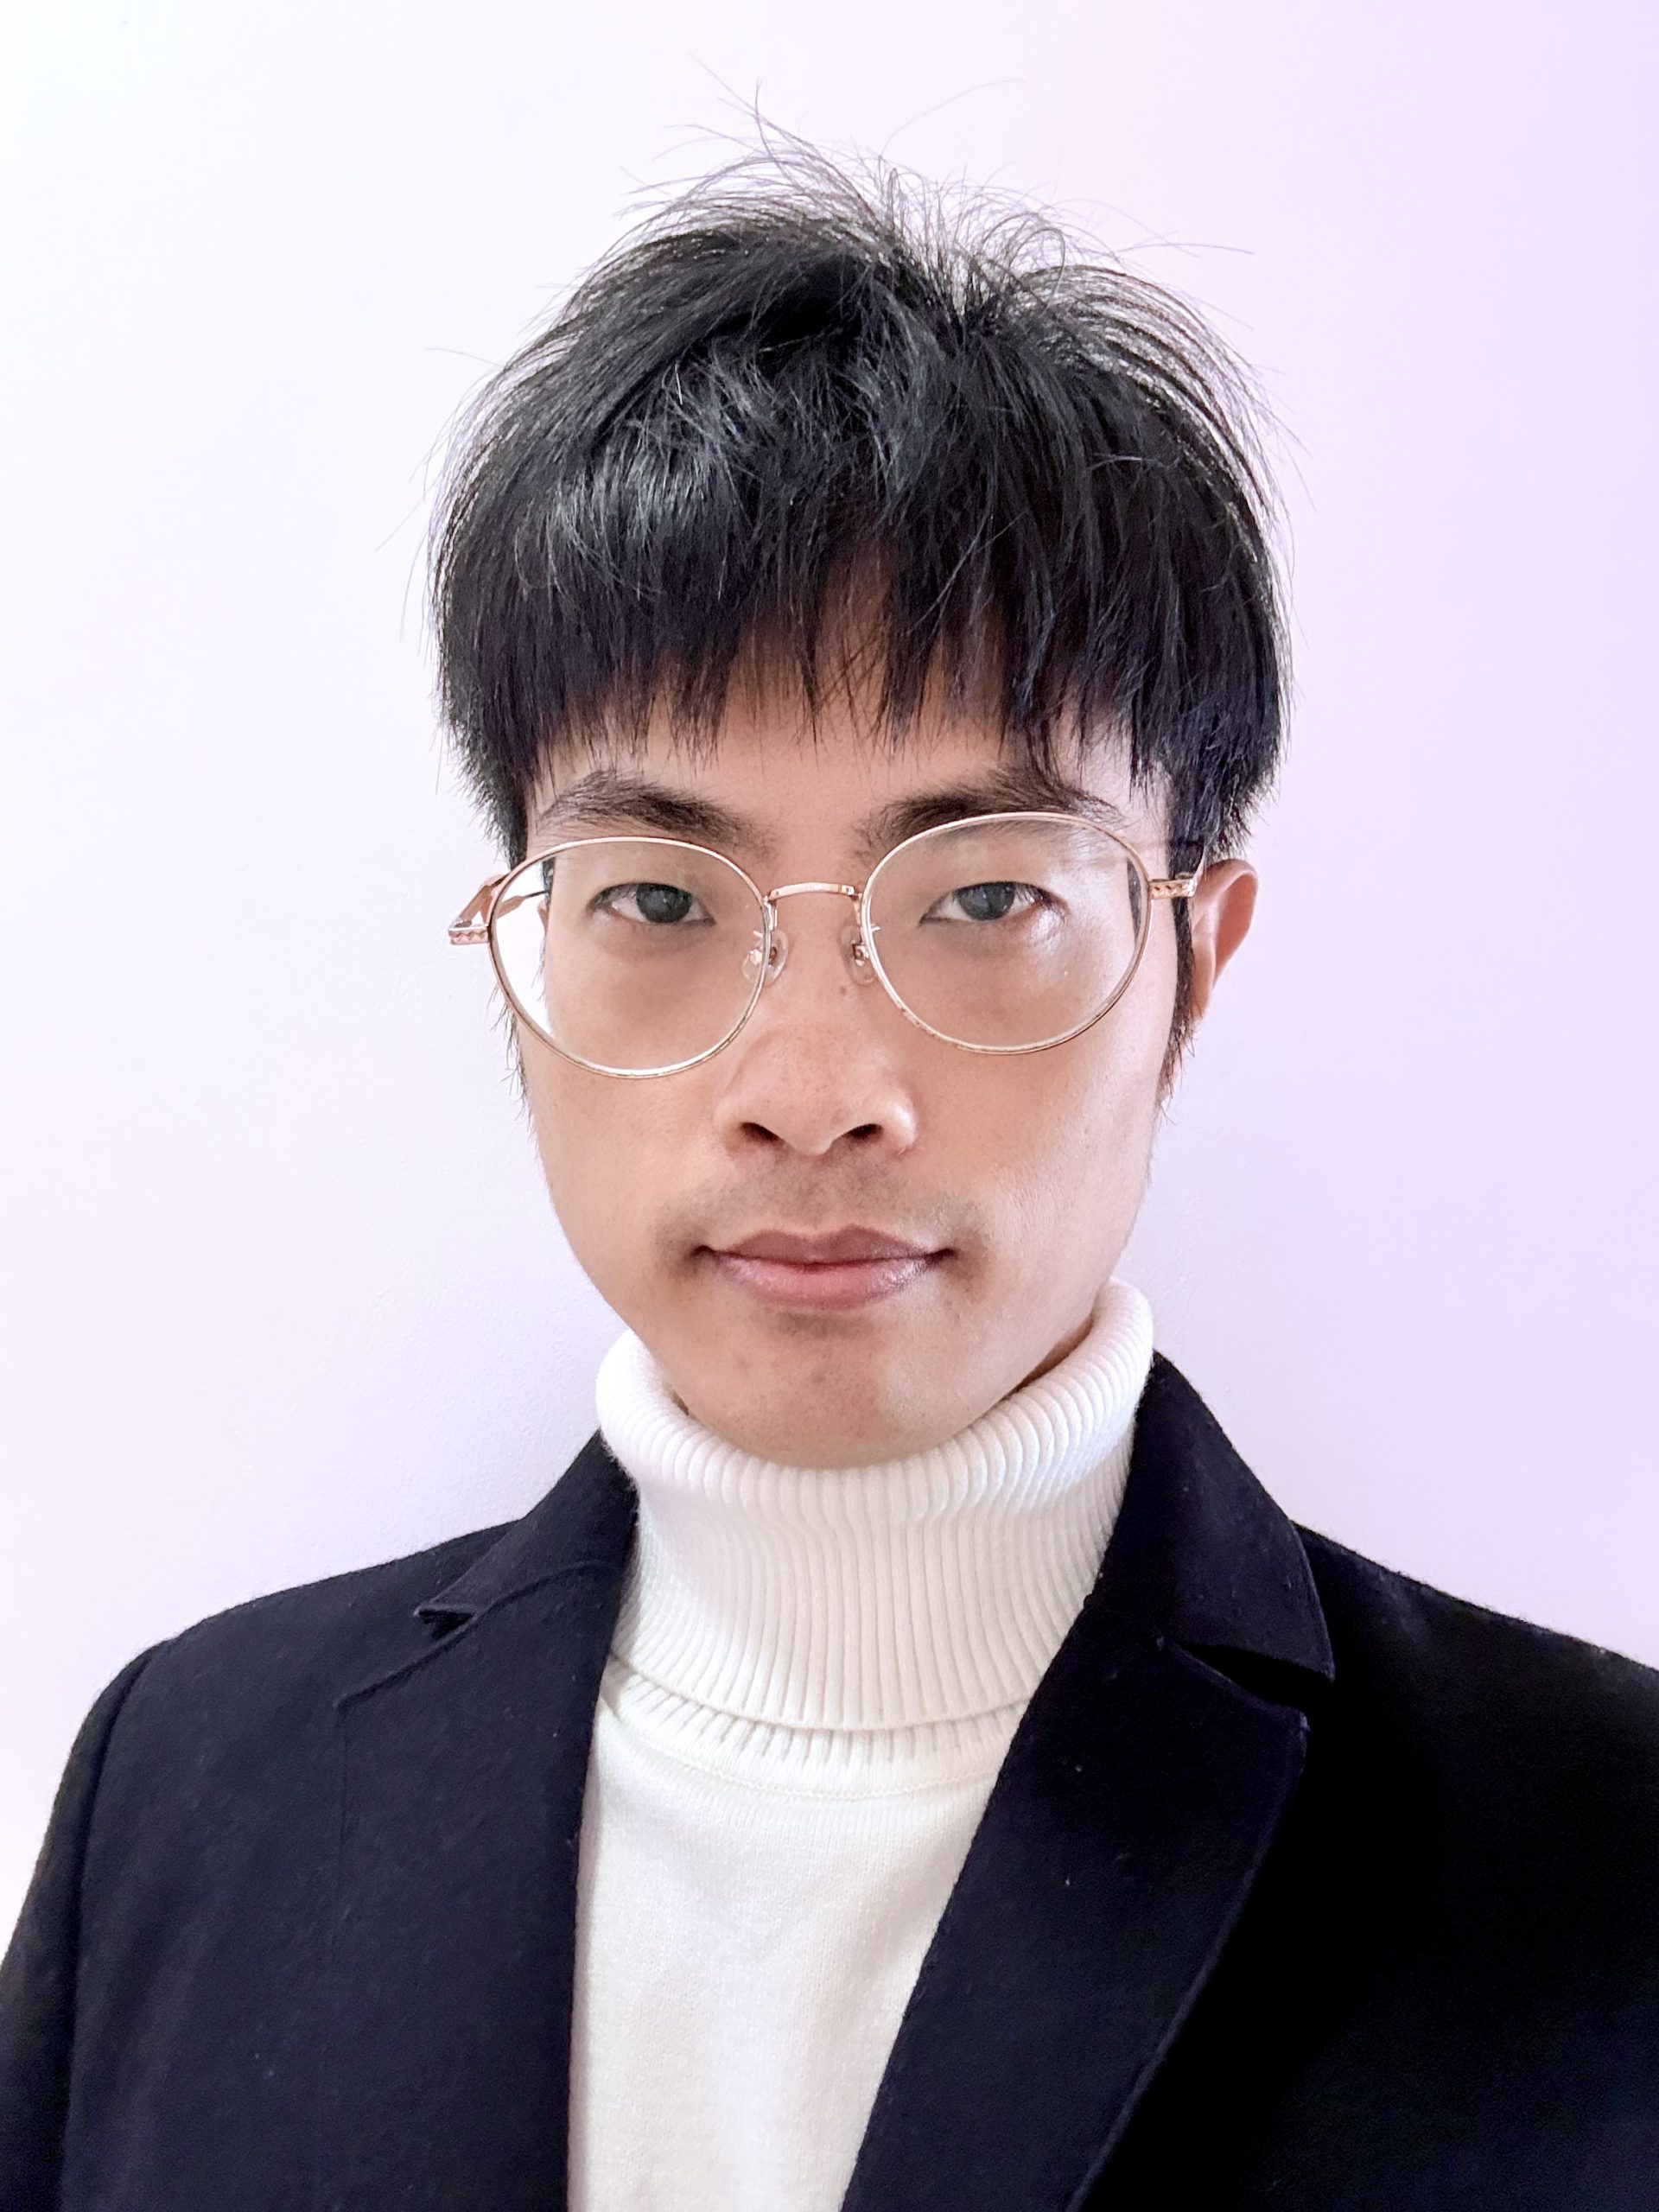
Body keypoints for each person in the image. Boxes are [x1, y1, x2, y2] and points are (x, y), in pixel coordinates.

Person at [3, 148, 1656, 2212]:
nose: (811, 1092)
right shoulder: (186, 1792)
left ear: (1192, 962)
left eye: (983, 895)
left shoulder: (1599, 1852)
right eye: (656, 896)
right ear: (520, 945)